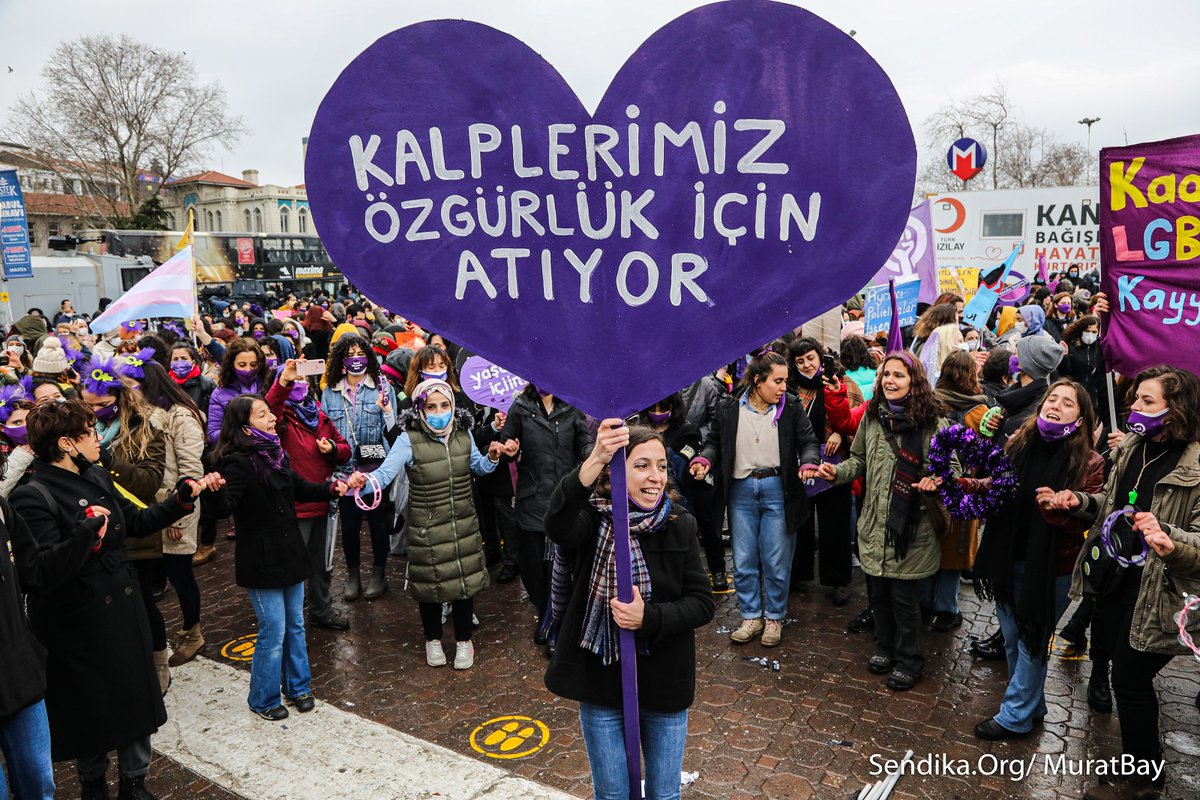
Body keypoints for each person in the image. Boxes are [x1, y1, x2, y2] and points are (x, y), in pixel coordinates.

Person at [11, 399, 220, 800]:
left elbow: (136, 521)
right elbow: (40, 572)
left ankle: (134, 782)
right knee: (90, 708)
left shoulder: (97, 476)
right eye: (89, 433)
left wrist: (180, 500)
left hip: (122, 610)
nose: (98, 439)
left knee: (133, 699)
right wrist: (86, 536)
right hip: (78, 623)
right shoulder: (31, 495)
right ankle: (94, 783)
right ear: (66, 443)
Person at [1043, 367, 1200, 800]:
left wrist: (1171, 539)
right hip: (1113, 580)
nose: (1135, 407)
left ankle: (1145, 780)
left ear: (1176, 409)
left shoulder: (1196, 465)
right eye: (1135, 399)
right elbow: (1112, 507)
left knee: (1131, 681)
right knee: (1120, 674)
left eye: (1147, 401)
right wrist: (1079, 502)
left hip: (1157, 594)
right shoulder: (1131, 446)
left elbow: (1197, 542)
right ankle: (1138, 761)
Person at [544, 420, 715, 800]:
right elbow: (557, 523)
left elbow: (702, 604)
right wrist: (596, 457)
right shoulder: (592, 520)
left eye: (661, 466)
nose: (655, 477)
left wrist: (648, 617)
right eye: (641, 466)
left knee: (663, 794)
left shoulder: (680, 524)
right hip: (602, 680)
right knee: (612, 794)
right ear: (615, 472)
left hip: (664, 679)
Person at [970, 380, 1104, 741]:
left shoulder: (1089, 462)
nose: (1056, 406)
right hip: (1005, 558)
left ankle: (1014, 716)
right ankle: (1032, 705)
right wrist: (970, 485)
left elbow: (1088, 519)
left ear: (1081, 419)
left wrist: (1059, 509)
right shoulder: (1017, 443)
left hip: (1050, 569)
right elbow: (996, 485)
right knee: (1013, 638)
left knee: (1032, 640)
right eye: (1052, 399)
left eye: (1068, 404)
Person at [815, 352, 951, 691]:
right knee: (878, 596)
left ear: (914, 381)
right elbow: (858, 458)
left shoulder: (934, 423)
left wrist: (936, 481)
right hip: (874, 524)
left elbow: (953, 472)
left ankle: (910, 660)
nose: (889, 381)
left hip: (911, 528)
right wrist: (836, 472)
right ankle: (885, 647)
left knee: (905, 601)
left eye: (898, 375)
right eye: (885, 375)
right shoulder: (873, 416)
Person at [210, 395, 348, 721]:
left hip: (289, 555)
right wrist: (213, 490)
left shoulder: (277, 454)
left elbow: (299, 488)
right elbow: (225, 506)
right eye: (263, 414)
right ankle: (263, 698)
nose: (272, 418)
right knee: (273, 630)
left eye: (269, 412)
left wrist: (332, 489)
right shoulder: (238, 463)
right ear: (245, 427)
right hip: (261, 561)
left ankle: (298, 687)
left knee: (296, 625)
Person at [364, 378, 511, 668]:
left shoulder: (463, 434)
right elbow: (383, 475)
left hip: (463, 522)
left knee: (463, 583)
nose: (439, 411)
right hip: (427, 527)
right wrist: (359, 484)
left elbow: (478, 467)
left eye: (444, 405)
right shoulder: (408, 439)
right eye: (431, 406)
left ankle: (464, 641)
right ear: (420, 408)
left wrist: (492, 458)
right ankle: (432, 639)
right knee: (430, 585)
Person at [691, 351, 821, 647]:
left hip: (779, 488)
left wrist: (808, 462)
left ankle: (774, 617)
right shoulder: (729, 406)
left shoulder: (791, 407)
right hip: (741, 490)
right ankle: (751, 615)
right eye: (778, 381)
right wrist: (704, 460)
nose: (783, 387)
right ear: (759, 380)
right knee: (744, 558)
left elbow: (808, 441)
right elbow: (714, 443)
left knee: (776, 559)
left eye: (785, 381)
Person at [79, 356, 174, 694]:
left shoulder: (147, 427)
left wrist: (105, 457)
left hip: (137, 538)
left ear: (119, 398)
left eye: (102, 405)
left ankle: (159, 662)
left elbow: (148, 484)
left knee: (144, 606)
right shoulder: (79, 430)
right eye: (88, 406)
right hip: (98, 538)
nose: (95, 412)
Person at [498, 384, 593, 649]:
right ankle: (544, 612)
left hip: (564, 500)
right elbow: (508, 445)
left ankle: (556, 625)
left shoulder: (572, 406)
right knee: (533, 569)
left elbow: (583, 443)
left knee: (559, 568)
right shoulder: (520, 408)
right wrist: (510, 451)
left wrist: (593, 457)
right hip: (531, 500)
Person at [266, 360, 353, 631]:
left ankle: (321, 609)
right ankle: (287, 618)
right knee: (291, 566)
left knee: (321, 563)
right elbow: (270, 408)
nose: (299, 385)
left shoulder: (318, 414)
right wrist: (284, 382)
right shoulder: (278, 417)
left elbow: (345, 448)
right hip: (294, 505)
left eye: (303, 380)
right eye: (294, 380)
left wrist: (332, 451)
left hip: (321, 501)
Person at [136, 361, 209, 667]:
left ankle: (192, 633)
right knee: (160, 573)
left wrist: (176, 516)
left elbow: (191, 471)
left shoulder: (181, 416)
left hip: (177, 508)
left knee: (181, 575)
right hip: (156, 509)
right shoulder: (150, 415)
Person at [321, 334, 397, 601]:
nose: (355, 359)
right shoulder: (330, 391)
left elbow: (393, 430)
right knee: (350, 527)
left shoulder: (381, 387)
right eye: (350, 354)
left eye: (360, 353)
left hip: (374, 472)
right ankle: (353, 575)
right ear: (341, 359)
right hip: (344, 471)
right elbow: (325, 427)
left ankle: (379, 573)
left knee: (378, 525)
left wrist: (386, 410)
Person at [0, 447, 56, 800]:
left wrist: (83, 539)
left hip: (17, 670)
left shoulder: (2, 509)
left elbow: (34, 570)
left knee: (39, 781)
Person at [787, 339, 860, 605]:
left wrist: (841, 433)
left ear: (821, 356)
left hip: (834, 463)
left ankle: (838, 581)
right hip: (800, 463)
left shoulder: (843, 383)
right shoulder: (791, 387)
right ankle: (799, 574)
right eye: (800, 361)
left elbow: (856, 419)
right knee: (801, 521)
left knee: (836, 524)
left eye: (810, 358)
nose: (807, 365)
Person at [207, 339, 270, 443]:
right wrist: (240, 432)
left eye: (253, 364)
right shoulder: (219, 394)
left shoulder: (267, 385)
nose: (248, 369)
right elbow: (213, 434)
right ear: (232, 365)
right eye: (242, 365)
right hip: (236, 452)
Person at [1059, 315, 1106, 423]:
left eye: (1094, 332)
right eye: (1087, 331)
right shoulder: (1072, 346)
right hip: (1073, 391)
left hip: (1092, 396)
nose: (1090, 334)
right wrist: (1065, 357)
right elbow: (1064, 372)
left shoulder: (1100, 348)